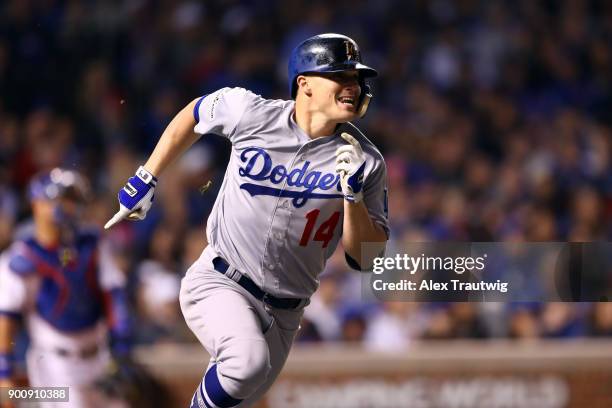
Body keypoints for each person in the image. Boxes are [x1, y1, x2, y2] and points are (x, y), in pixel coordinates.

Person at [105, 33, 389, 407]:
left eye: (355, 78)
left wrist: (351, 198)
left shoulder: (366, 161)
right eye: (340, 76)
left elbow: (366, 258)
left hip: (286, 312)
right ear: (304, 84)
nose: (353, 86)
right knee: (247, 365)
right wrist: (148, 175)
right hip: (221, 280)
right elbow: (194, 112)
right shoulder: (250, 111)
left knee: (242, 386)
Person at [0, 168, 132, 407]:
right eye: (61, 199)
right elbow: (5, 319)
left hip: (100, 358)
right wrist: (4, 374)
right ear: (38, 204)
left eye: (73, 200)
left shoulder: (91, 244)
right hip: (55, 362)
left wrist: (121, 350)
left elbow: (114, 295)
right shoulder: (23, 256)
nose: (69, 207)